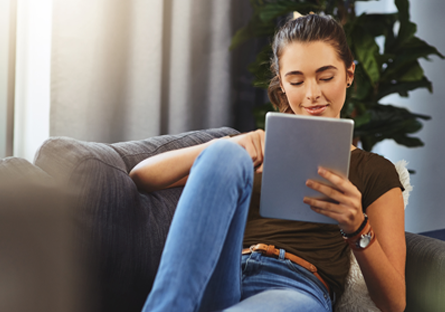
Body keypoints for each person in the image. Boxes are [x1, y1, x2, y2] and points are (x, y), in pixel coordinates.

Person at [130, 14, 406, 312]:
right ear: (282, 84)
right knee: (226, 154)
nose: (312, 94)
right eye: (296, 80)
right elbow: (141, 175)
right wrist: (228, 146)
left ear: (349, 74)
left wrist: (357, 228)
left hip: (295, 285)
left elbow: (395, 303)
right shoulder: (254, 151)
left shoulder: (375, 170)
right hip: (222, 275)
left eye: (326, 77)